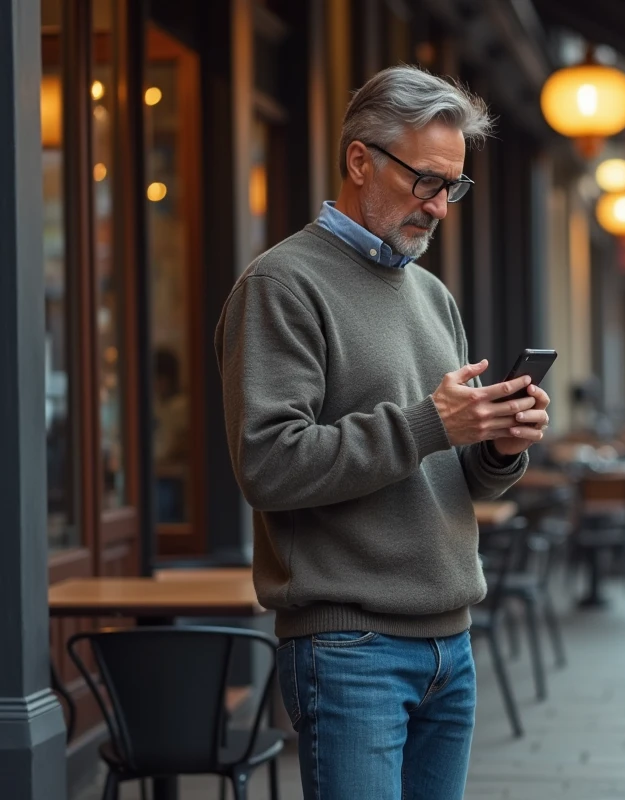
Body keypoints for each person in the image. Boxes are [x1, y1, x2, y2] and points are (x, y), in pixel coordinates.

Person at [215, 66, 551, 800]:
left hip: (449, 640)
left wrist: (498, 445)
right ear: (360, 159)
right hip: (349, 644)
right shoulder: (282, 285)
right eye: (425, 181)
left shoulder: (431, 293)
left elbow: (448, 470)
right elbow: (268, 465)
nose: (439, 206)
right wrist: (431, 422)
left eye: (453, 188)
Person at [152, 348, 189, 522]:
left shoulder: (180, 406)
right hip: (158, 473)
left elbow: (179, 444)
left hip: (173, 478)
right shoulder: (158, 404)